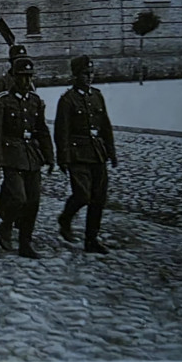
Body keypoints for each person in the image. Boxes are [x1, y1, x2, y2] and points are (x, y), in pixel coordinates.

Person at [0, 56, 55, 259]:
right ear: (14, 77)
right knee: (18, 198)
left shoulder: (35, 101)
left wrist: (50, 158)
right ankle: (6, 225)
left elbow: (42, 130)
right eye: (22, 77)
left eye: (29, 77)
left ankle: (25, 243)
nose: (26, 81)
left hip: (32, 156)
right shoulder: (3, 101)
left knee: (33, 201)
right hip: (11, 156)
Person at [54, 55, 117, 254]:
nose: (89, 77)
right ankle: (65, 217)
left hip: (97, 152)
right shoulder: (67, 100)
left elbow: (105, 126)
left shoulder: (97, 96)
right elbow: (61, 131)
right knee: (82, 195)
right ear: (75, 76)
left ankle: (91, 239)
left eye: (91, 73)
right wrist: (63, 157)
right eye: (84, 74)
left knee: (99, 198)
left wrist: (111, 152)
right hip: (77, 154)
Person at [0, 44, 29, 109]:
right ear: (11, 62)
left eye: (23, 59)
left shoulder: (28, 81)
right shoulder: (0, 82)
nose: (20, 62)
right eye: (17, 60)